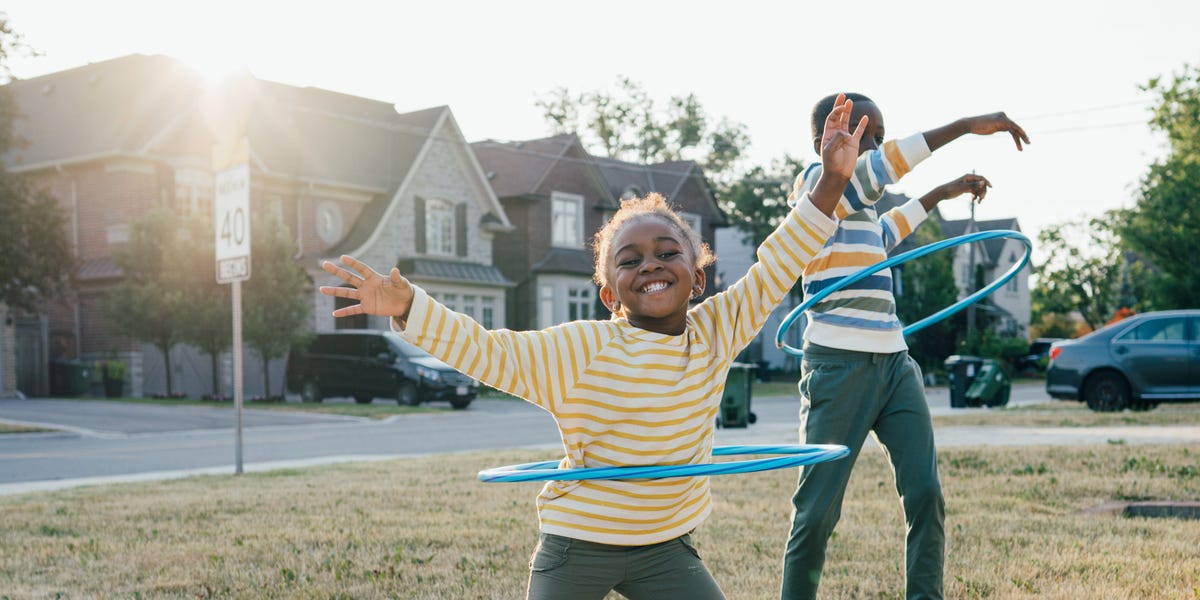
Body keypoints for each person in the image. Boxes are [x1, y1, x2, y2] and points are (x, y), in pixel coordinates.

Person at [319, 95, 867, 600]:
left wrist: (831, 183)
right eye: (629, 260)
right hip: (577, 543)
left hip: (666, 548)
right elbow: (486, 350)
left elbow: (777, 265)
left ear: (697, 277)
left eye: (666, 252)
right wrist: (409, 305)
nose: (649, 264)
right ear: (609, 294)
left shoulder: (717, 331)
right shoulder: (581, 349)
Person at [779, 92, 1030, 600]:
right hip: (837, 366)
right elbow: (877, 171)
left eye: (877, 136)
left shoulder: (861, 213)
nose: (872, 146)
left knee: (926, 493)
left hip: (895, 364)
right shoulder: (814, 189)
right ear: (821, 142)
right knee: (817, 510)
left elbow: (890, 228)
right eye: (862, 136)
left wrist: (944, 191)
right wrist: (962, 125)